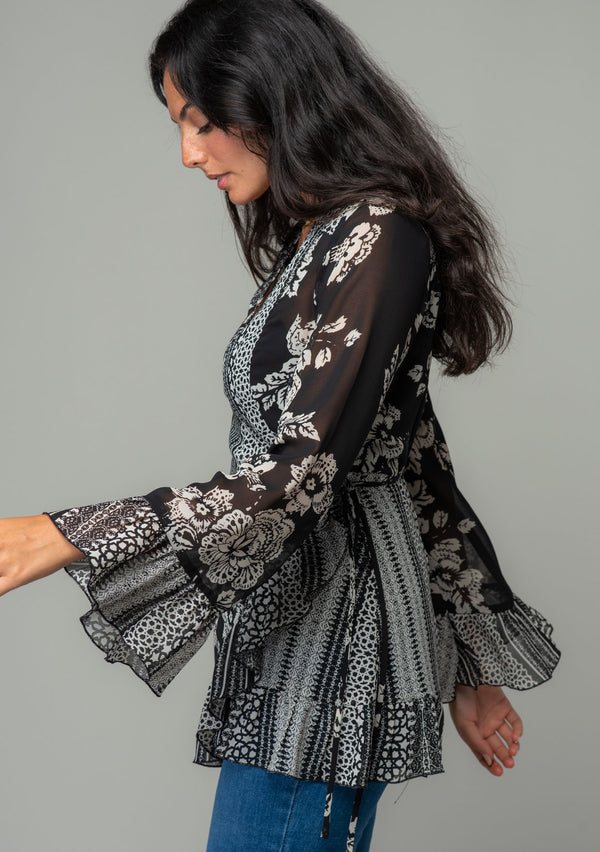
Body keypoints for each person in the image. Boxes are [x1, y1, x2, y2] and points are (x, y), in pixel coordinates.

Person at [0, 1, 560, 850]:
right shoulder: (325, 235)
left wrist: (63, 534)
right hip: (295, 627)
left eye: (200, 121)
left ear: (273, 95)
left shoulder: (378, 234)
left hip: (339, 643)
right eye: (179, 126)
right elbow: (412, 451)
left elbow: (305, 474)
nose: (189, 154)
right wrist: (471, 669)